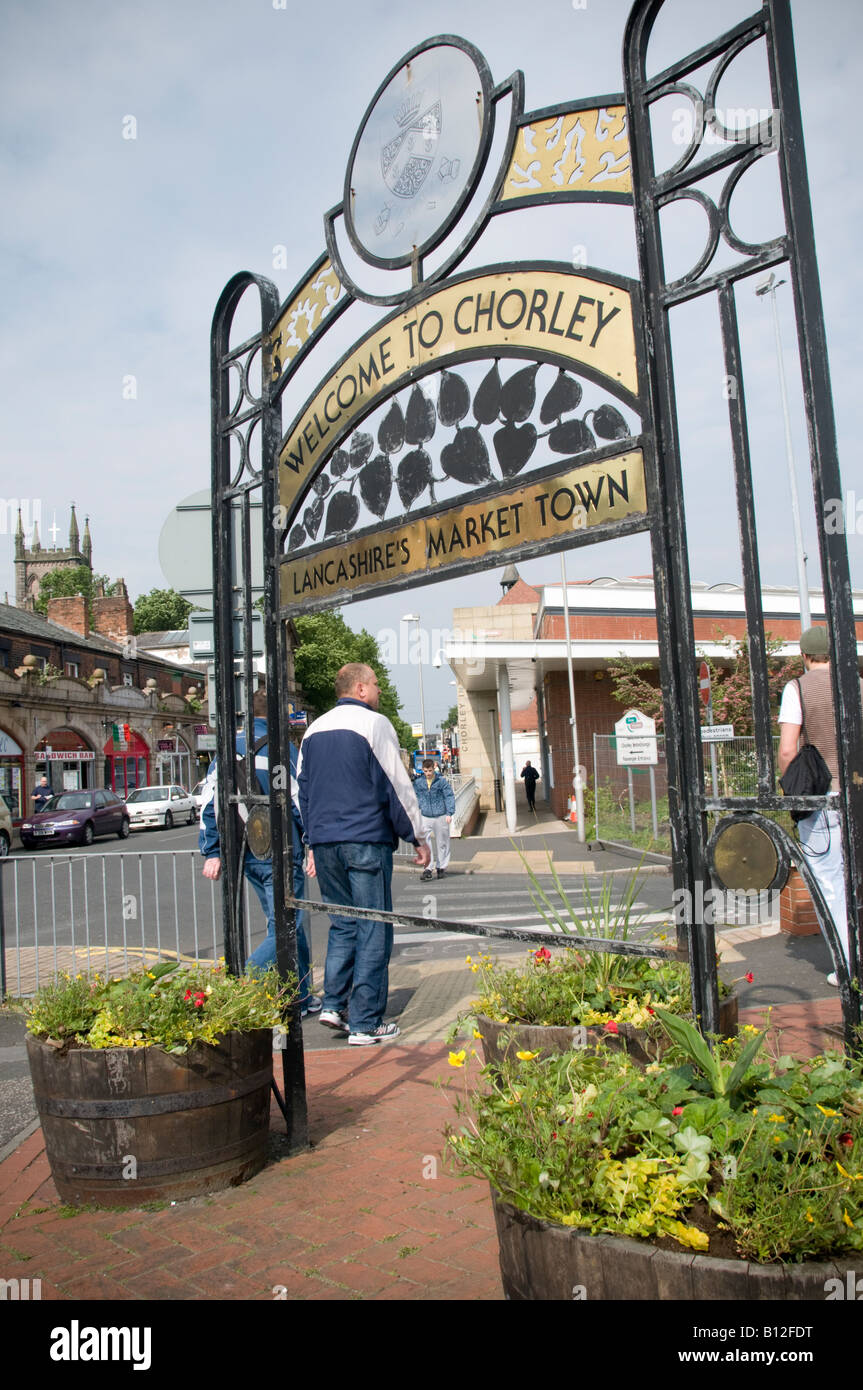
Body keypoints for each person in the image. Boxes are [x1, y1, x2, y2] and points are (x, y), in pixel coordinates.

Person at [297, 662, 430, 1046]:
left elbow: (302, 793)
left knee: (343, 923)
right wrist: (418, 837)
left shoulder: (313, 730)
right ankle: (366, 1023)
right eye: (375, 684)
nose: (379, 690)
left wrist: (311, 841)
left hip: (325, 844)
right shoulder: (374, 724)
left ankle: (334, 1006)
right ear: (359, 688)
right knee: (373, 925)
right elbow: (396, 785)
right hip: (365, 840)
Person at [200, 689, 320, 1015]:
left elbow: (209, 805)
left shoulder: (226, 751)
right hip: (282, 850)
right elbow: (299, 802)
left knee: (284, 922)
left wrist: (212, 850)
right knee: (288, 924)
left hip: (244, 852)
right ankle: (243, 986)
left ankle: (301, 995)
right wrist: (310, 844)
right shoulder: (284, 749)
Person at [778, 624, 863, 988]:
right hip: (858, 796)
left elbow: (787, 749)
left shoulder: (797, 688)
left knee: (830, 885)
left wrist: (794, 789)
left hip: (823, 801)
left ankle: (849, 968)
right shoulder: (856, 685)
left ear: (804, 655)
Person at [413, 757, 455, 880]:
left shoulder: (441, 781)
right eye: (425, 771)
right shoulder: (418, 783)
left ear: (434, 768)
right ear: (422, 770)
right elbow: (414, 797)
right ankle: (428, 868)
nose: (428, 774)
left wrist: (449, 813)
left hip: (440, 815)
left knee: (442, 842)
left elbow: (449, 796)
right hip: (425, 815)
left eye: (430, 771)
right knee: (424, 842)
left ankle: (441, 867)